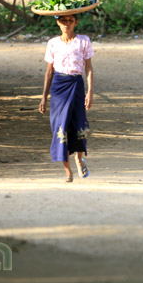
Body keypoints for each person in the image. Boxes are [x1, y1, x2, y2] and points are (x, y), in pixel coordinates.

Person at [40, 14, 94, 182]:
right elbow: (49, 72)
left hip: (76, 85)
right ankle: (67, 171)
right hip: (59, 87)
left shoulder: (83, 41)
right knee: (60, 126)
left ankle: (78, 158)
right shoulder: (53, 43)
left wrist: (90, 91)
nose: (67, 24)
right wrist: (44, 97)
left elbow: (89, 69)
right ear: (58, 23)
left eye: (71, 21)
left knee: (79, 124)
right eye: (64, 21)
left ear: (76, 22)